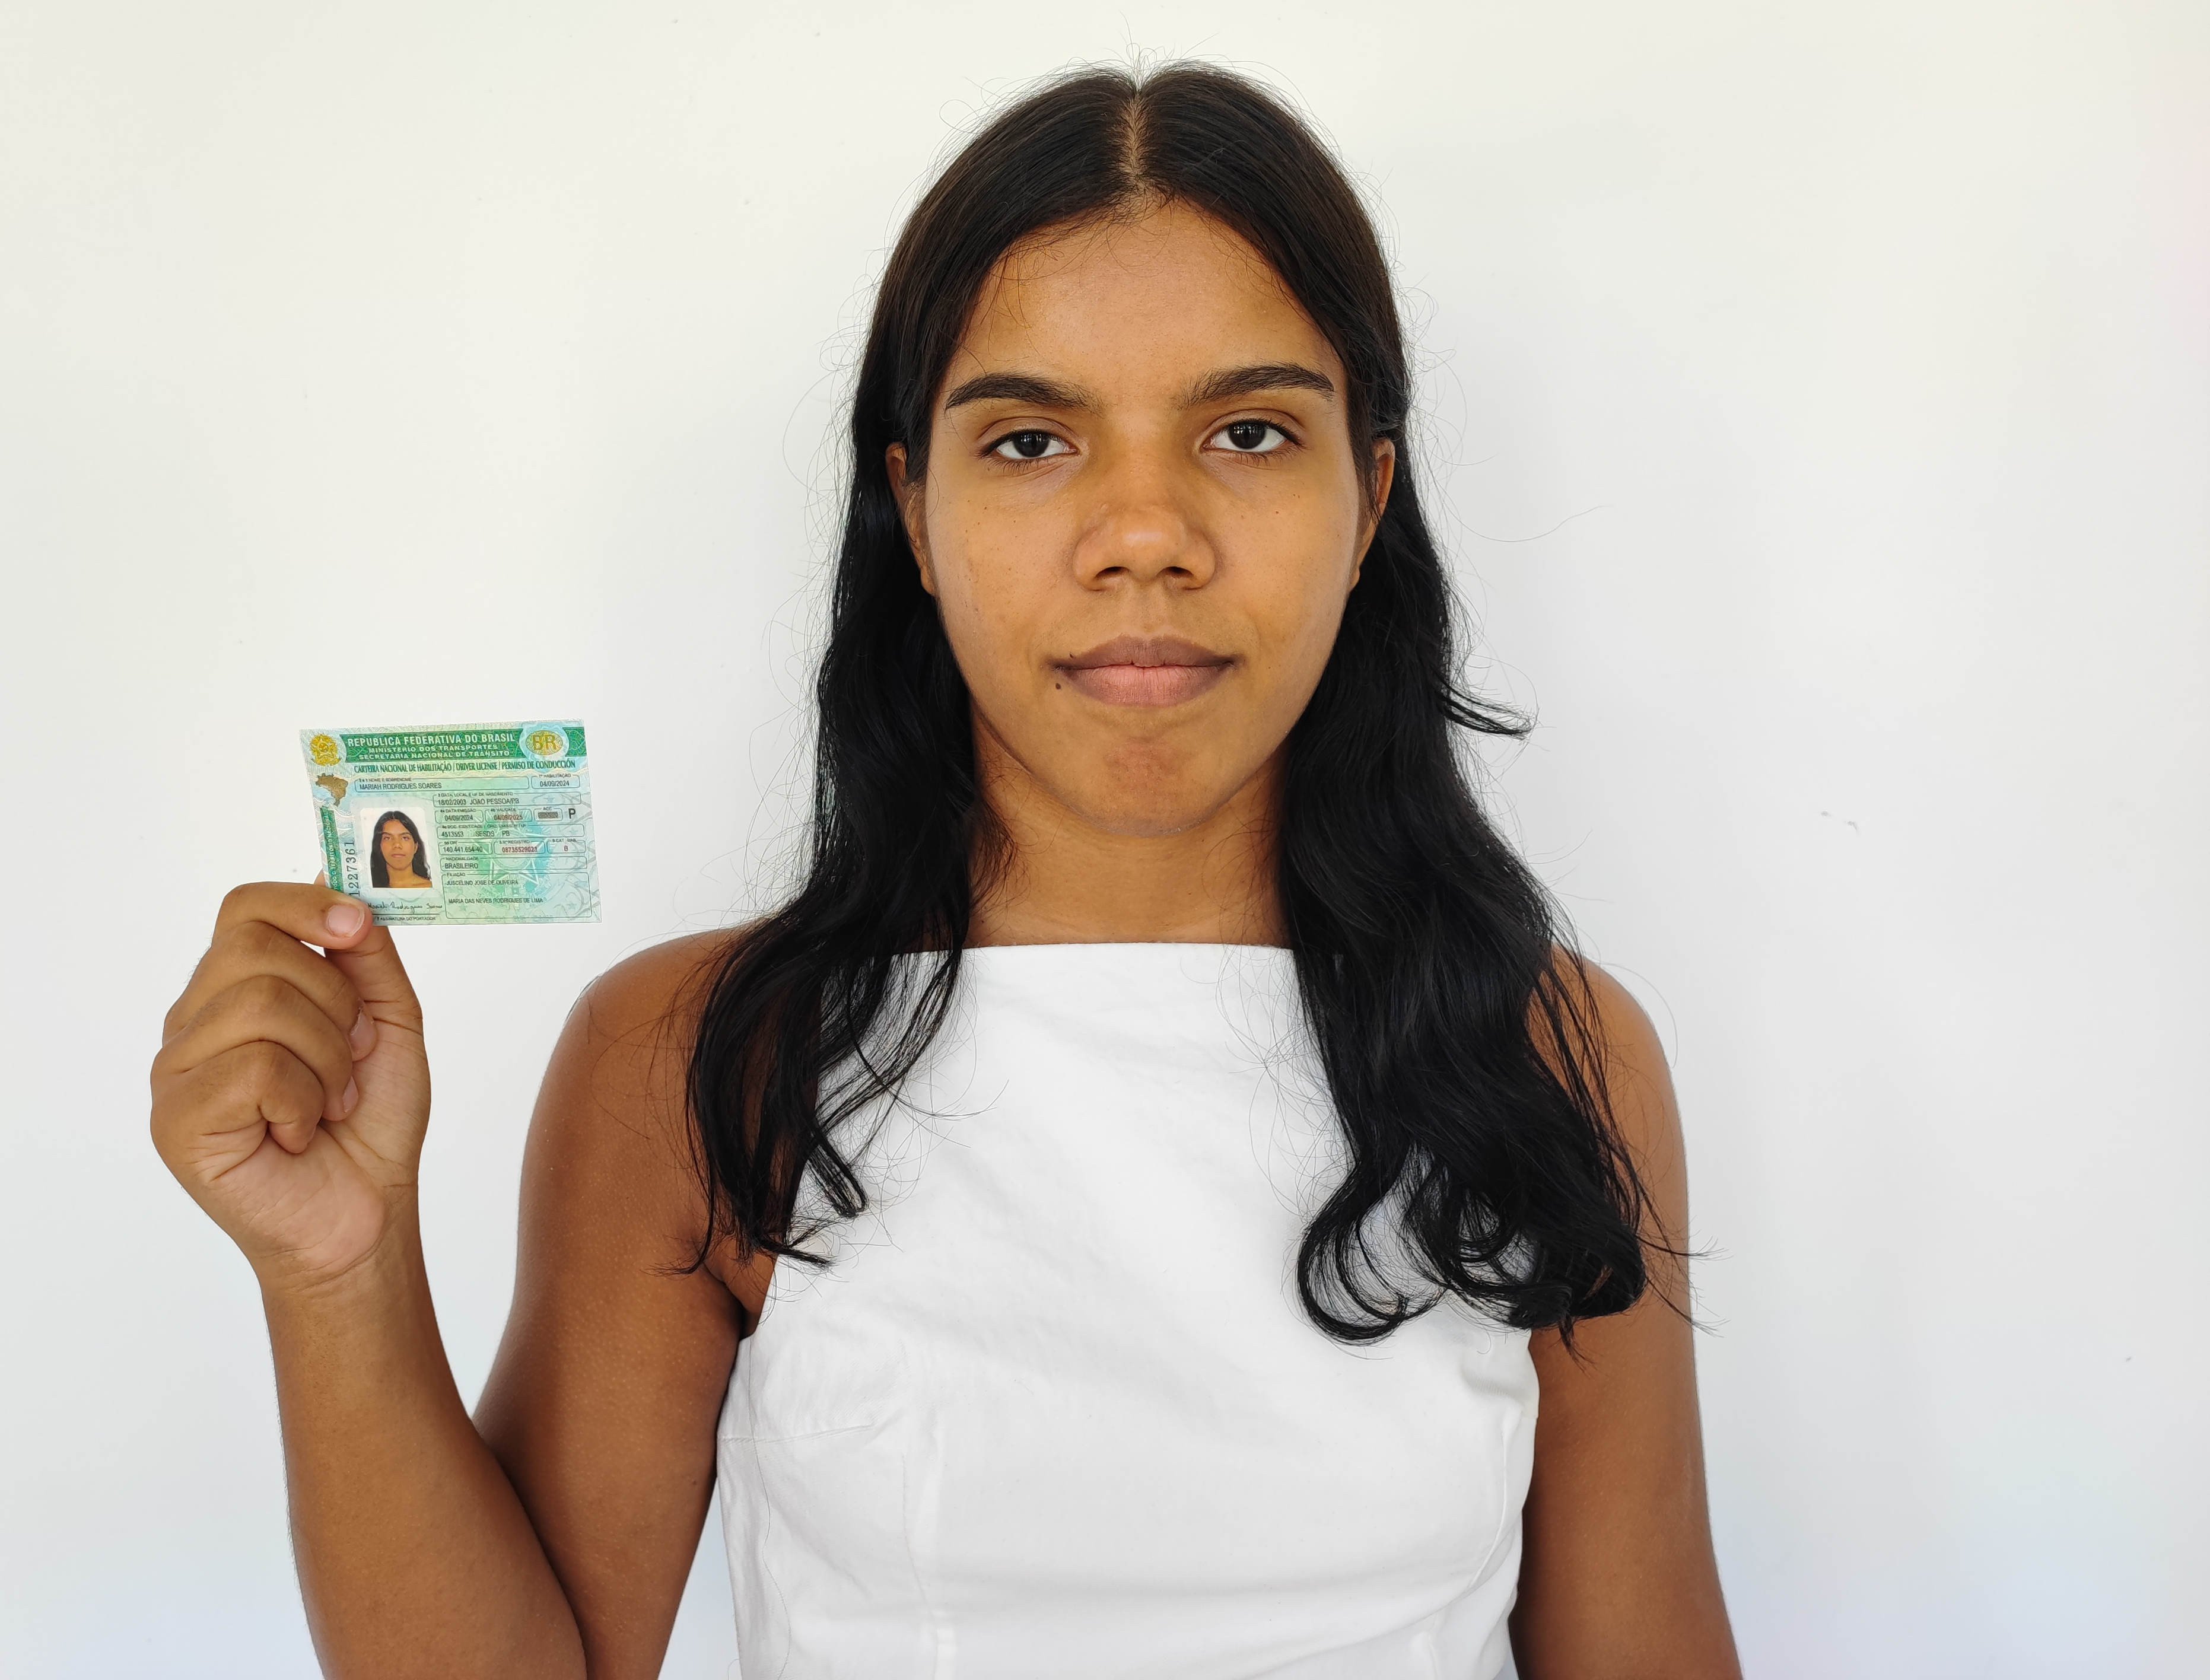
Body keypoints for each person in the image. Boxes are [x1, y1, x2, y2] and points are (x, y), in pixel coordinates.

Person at [149, 63, 1740, 1680]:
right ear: (912, 507)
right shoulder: (701, 1061)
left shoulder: (1552, 1054)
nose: (1143, 532)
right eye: (1031, 440)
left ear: (1368, 497)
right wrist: (334, 1273)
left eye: (1249, 432)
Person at [367, 810, 431, 889]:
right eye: (388, 838)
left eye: (405, 838)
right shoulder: (368, 888)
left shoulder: (433, 889)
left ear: (416, 847)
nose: (397, 845)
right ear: (379, 846)